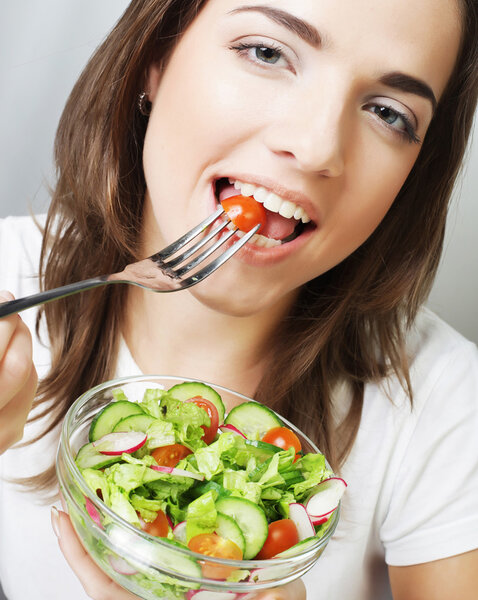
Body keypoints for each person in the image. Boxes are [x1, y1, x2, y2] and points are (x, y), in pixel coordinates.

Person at [1, 0, 477, 598]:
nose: (317, 147)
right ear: (155, 56)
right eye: (267, 52)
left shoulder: (445, 401)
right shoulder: (11, 279)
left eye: (387, 112)